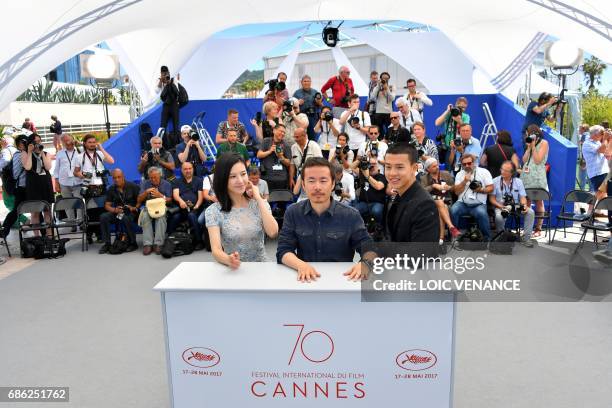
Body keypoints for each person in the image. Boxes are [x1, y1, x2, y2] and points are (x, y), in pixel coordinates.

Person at [276, 157, 373, 282]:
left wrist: (364, 264)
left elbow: (370, 249)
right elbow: (283, 250)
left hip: (342, 281)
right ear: (303, 185)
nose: (317, 187)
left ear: (333, 184)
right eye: (311, 181)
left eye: (323, 181)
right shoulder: (293, 212)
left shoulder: (351, 215)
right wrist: (301, 265)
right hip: (306, 280)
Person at [205, 153, 278, 267]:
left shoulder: (259, 204)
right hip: (233, 269)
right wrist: (228, 259)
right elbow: (216, 250)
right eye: (232, 176)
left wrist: (259, 198)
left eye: (243, 174)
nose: (240, 180)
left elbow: (273, 232)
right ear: (223, 179)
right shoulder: (213, 211)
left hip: (261, 268)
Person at [384, 144, 439, 243]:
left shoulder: (424, 205)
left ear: (414, 168)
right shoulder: (400, 195)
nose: (392, 173)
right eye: (388, 167)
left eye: (399, 167)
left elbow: (421, 254)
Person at [74, 134, 114, 243]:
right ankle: (90, 234)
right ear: (85, 143)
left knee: (102, 211)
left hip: (101, 186)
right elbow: (75, 172)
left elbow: (111, 161)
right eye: (90, 142)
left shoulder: (100, 154)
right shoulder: (79, 157)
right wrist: (81, 175)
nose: (92, 144)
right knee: (90, 212)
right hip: (88, 186)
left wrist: (101, 148)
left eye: (93, 142)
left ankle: (101, 234)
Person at [489, 161, 535, 247]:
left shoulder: (518, 181)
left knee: (530, 212)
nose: (502, 172)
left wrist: (524, 205)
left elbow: (522, 197)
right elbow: (492, 199)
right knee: (499, 216)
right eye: (502, 169)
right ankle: (501, 237)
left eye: (506, 171)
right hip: (500, 206)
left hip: (515, 206)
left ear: (512, 172)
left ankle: (526, 238)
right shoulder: (494, 181)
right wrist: (501, 206)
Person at [450, 153, 494, 241]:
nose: (467, 166)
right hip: (463, 203)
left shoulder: (484, 172)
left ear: (474, 162)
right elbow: (456, 192)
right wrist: (464, 181)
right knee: (453, 210)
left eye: (469, 163)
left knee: (482, 213)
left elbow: (491, 188)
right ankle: (455, 237)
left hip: (479, 204)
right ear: (462, 165)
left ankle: (487, 239)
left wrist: (480, 190)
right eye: (464, 164)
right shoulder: (459, 174)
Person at [98, 169, 140, 254]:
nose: (116, 179)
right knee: (104, 217)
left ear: (123, 177)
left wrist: (133, 207)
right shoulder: (111, 189)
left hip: (132, 212)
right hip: (118, 213)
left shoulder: (133, 186)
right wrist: (114, 210)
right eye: (114, 178)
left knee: (125, 217)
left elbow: (140, 201)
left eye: (119, 177)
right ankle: (107, 244)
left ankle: (133, 243)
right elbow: (107, 205)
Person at [420, 158, 460, 243]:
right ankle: (451, 227)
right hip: (431, 202)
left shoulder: (446, 174)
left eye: (437, 165)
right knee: (440, 203)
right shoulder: (423, 178)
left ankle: (441, 239)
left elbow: (454, 188)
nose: (437, 167)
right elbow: (422, 192)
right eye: (434, 166)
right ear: (428, 169)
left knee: (441, 207)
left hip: (446, 200)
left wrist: (449, 187)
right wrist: (433, 186)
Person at [520, 125, 549, 238]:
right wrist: (528, 148)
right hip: (526, 177)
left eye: (528, 134)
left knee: (538, 202)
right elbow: (524, 160)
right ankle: (527, 228)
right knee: (526, 202)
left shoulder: (544, 143)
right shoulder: (528, 143)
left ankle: (538, 228)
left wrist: (533, 147)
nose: (527, 136)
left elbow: (537, 160)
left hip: (537, 177)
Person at [168, 162, 205, 250]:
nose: (188, 171)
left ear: (193, 169)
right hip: (182, 208)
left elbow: (200, 197)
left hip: (195, 209)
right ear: (181, 170)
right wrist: (181, 202)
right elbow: (176, 195)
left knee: (192, 215)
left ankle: (199, 241)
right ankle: (169, 240)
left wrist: (196, 206)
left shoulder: (199, 180)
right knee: (175, 217)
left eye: (190, 168)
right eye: (185, 169)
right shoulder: (176, 181)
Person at [22, 133, 54, 236]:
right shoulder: (25, 153)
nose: (38, 143)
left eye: (39, 141)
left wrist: (42, 154)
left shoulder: (45, 153)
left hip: (45, 183)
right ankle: (37, 236)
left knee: (47, 211)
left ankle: (49, 236)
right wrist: (30, 152)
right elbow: (27, 167)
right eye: (35, 142)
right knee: (35, 212)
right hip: (33, 184)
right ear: (30, 143)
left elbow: (48, 167)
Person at [137, 167, 173, 255]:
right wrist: (146, 192)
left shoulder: (167, 184)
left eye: (155, 177)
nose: (153, 180)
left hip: (161, 206)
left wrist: (160, 195)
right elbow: (139, 200)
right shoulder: (145, 184)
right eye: (151, 178)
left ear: (160, 175)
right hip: (149, 207)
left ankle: (158, 243)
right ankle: (148, 244)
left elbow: (170, 200)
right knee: (145, 216)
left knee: (161, 216)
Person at [0, 135, 28, 238]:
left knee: (16, 209)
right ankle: (6, 229)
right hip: (19, 186)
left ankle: (5, 229)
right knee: (16, 208)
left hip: (19, 186)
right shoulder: (17, 153)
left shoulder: (7, 151)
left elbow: (6, 162)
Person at [53, 134, 83, 224]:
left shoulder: (80, 150)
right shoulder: (60, 153)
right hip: (64, 182)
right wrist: (56, 183)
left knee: (79, 202)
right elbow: (56, 170)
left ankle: (80, 222)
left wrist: (79, 143)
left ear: (73, 140)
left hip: (78, 181)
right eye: (65, 141)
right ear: (62, 143)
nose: (68, 142)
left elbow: (91, 148)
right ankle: (71, 223)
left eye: (69, 140)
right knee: (67, 203)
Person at [256, 124, 292, 190]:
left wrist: (281, 156)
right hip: (266, 174)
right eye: (281, 131)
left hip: (281, 177)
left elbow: (288, 163)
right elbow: (259, 155)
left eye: (284, 132)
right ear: (274, 130)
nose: (282, 133)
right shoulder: (266, 141)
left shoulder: (286, 145)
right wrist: (269, 151)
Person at [434, 97, 470, 163]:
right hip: (448, 146)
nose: (462, 109)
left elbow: (466, 128)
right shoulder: (449, 114)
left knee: (459, 167)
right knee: (448, 167)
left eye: (464, 107)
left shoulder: (465, 116)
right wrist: (447, 111)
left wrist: (459, 121)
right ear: (456, 105)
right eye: (461, 107)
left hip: (460, 146)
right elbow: (437, 123)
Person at [353, 156, 387, 225]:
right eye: (370, 164)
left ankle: (379, 227)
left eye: (374, 164)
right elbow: (351, 167)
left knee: (376, 211)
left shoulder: (382, 176)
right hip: (364, 203)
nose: (372, 166)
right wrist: (359, 160)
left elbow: (378, 186)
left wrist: (368, 177)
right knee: (354, 211)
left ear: (377, 166)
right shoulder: (363, 174)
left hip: (377, 203)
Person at [582, 125, 609, 198]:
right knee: (599, 196)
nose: (602, 135)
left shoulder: (597, 142)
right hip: (598, 174)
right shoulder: (587, 143)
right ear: (595, 134)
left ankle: (591, 209)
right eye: (601, 133)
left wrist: (608, 139)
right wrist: (605, 139)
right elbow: (601, 150)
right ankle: (591, 209)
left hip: (602, 172)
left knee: (601, 197)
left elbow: (606, 152)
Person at [293, 75, 322, 141]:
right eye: (305, 81)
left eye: (308, 81)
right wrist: (297, 102)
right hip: (301, 118)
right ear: (301, 82)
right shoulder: (297, 93)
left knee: (312, 138)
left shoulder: (315, 92)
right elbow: (292, 105)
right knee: (301, 136)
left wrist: (318, 102)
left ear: (310, 82)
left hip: (313, 117)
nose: (306, 83)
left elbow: (321, 105)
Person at [369, 71, 395, 139]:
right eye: (383, 78)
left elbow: (392, 98)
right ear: (380, 79)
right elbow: (372, 97)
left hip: (388, 112)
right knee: (379, 130)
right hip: (378, 112)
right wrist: (378, 86)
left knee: (389, 129)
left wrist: (387, 89)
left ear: (389, 79)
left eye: (387, 78)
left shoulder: (391, 87)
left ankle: (389, 141)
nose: (385, 80)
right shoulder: (377, 86)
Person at [158, 65, 180, 141]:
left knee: (175, 126)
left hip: (174, 104)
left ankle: (176, 144)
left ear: (168, 72)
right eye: (163, 73)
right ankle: (162, 144)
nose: (165, 75)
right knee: (162, 125)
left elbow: (177, 91)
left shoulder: (173, 79)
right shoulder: (160, 80)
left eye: (166, 73)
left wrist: (170, 82)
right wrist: (161, 81)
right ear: (161, 74)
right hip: (166, 105)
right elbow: (156, 91)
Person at [577, 123, 591, 191]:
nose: (579, 130)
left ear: (583, 129)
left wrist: (583, 161)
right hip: (589, 159)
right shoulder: (590, 135)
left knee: (582, 177)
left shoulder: (584, 136)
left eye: (580, 129)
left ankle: (582, 192)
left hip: (584, 159)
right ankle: (591, 192)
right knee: (589, 176)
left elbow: (583, 149)